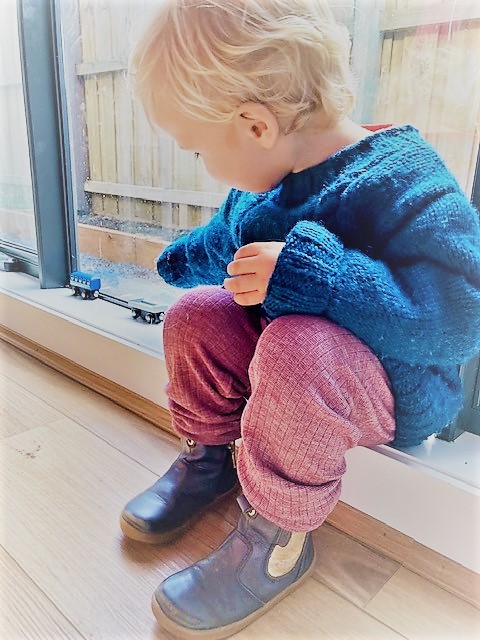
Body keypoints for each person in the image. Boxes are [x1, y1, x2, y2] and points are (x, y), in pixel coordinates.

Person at [120, 1, 480, 637]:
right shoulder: (266, 181)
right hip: (294, 363)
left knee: (295, 346)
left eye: (198, 150)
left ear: (256, 125)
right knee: (197, 315)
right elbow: (228, 239)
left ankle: (278, 536)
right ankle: (211, 461)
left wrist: (320, 275)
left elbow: (460, 318)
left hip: (396, 386)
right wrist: (178, 260)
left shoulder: (403, 179)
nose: (201, 163)